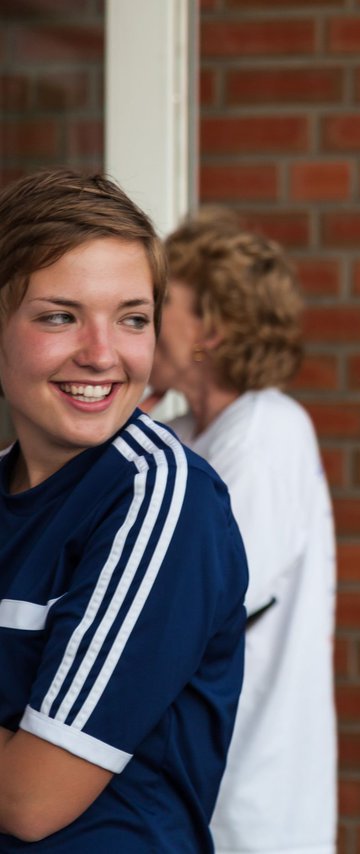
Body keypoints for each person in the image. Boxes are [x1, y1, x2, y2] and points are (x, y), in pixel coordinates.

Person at [0, 169, 248, 850]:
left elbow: (30, 798)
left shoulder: (160, 498)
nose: (102, 355)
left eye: (132, 319)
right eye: (60, 316)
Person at [148, 211, 337, 854]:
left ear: (213, 329)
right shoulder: (179, 434)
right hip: (194, 791)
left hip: (250, 807)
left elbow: (179, 610)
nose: (138, 316)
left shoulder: (266, 436)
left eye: (160, 300)